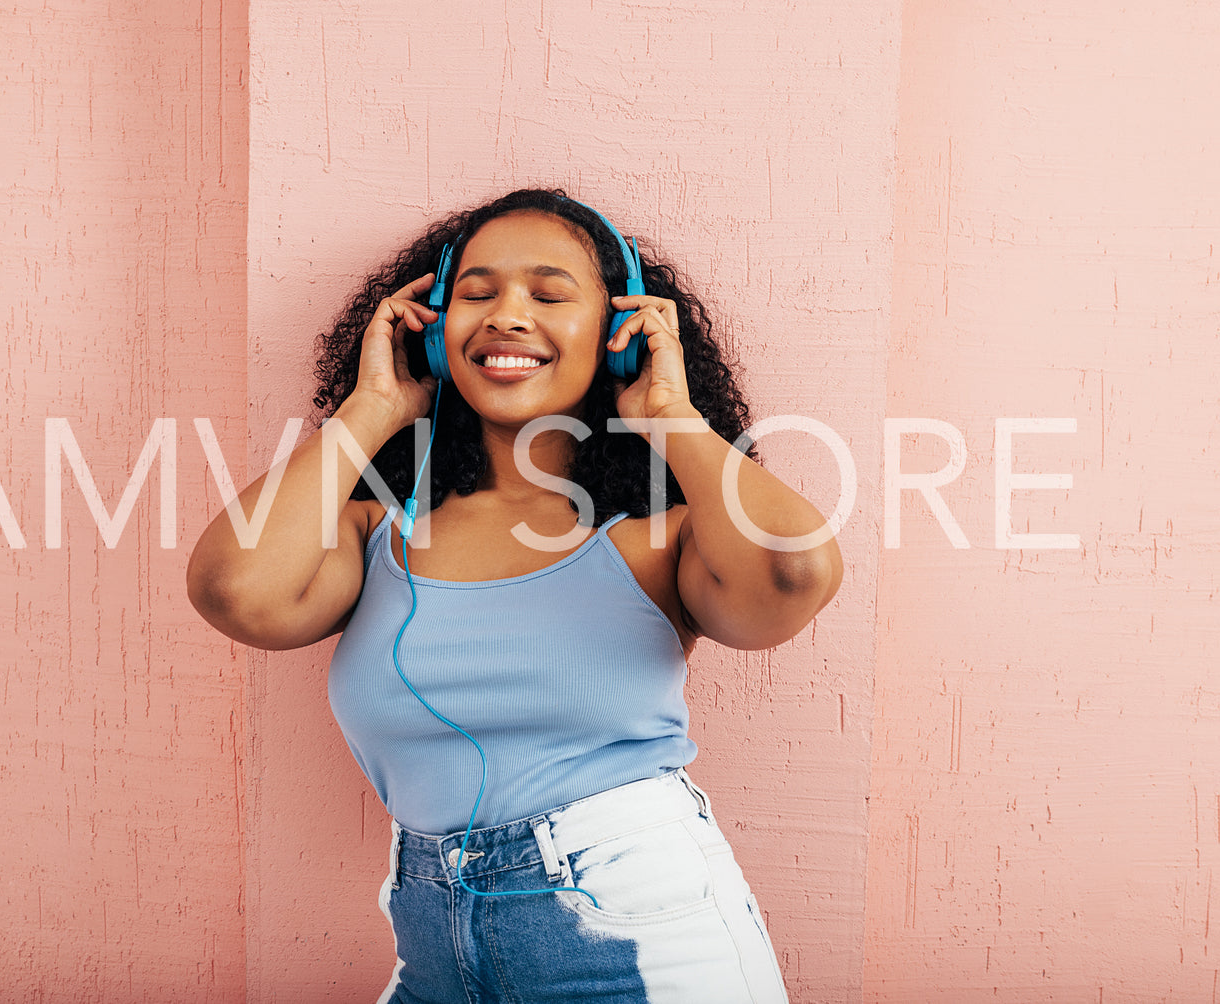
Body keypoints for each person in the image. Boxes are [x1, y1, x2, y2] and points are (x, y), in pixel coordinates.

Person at [186, 188, 843, 1003]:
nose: (506, 315)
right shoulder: (375, 532)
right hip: (434, 938)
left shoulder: (657, 536)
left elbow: (793, 574)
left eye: (549, 294)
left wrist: (669, 413)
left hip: (638, 929)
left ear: (619, 335)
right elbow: (231, 591)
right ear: (430, 332)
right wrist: (374, 406)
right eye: (475, 293)